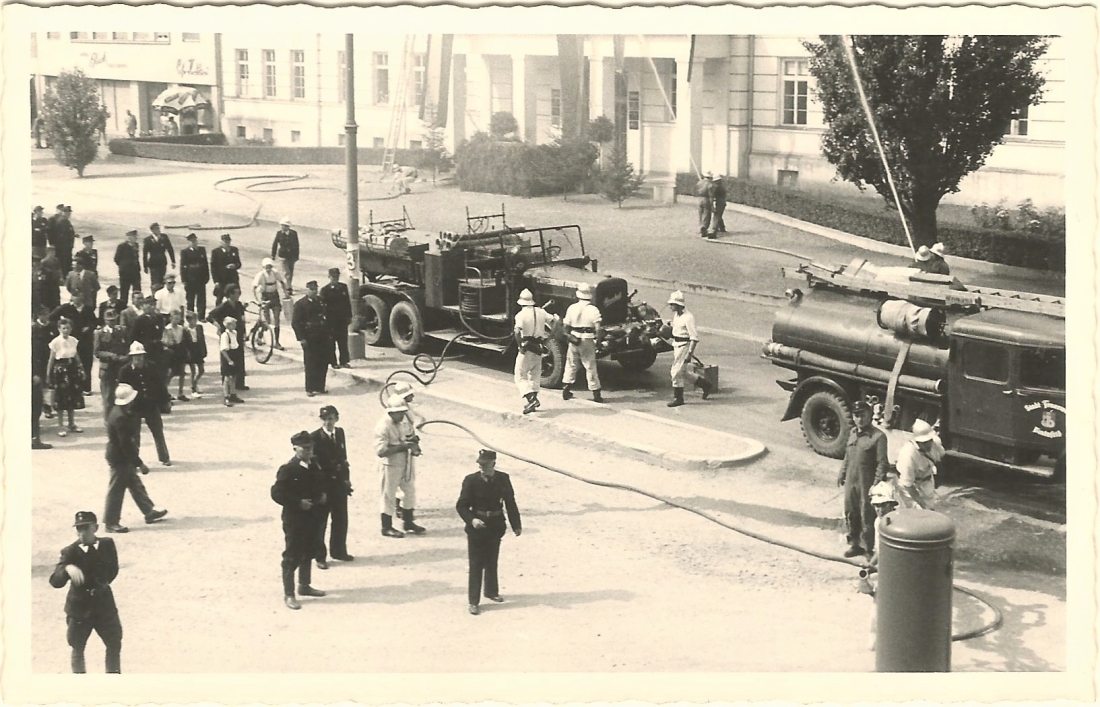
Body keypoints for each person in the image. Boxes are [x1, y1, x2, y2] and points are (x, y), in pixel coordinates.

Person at [49, 511, 123, 672]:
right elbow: (55, 582)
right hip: (80, 610)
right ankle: (80, 685)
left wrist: (100, 586)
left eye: (85, 528)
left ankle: (114, 681)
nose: (81, 533)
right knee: (77, 647)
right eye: (78, 529)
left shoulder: (107, 544)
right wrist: (66, 568)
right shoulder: (70, 552)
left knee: (114, 643)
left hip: (104, 606)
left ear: (95, 528)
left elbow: (113, 570)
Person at [456, 449, 522, 616]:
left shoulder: (503, 479)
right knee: (476, 564)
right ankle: (473, 601)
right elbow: (461, 505)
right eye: (480, 464)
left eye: (485, 464)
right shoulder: (470, 480)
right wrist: (472, 520)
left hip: (495, 525)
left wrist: (516, 525)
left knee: (492, 561)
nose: (482, 467)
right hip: (477, 527)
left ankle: (491, 592)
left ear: (493, 463)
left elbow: (510, 502)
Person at [270, 431, 328, 610]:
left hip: (313, 516)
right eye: (305, 448)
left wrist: (322, 494)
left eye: (310, 447)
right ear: (295, 448)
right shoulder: (288, 468)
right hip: (295, 519)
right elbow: (277, 493)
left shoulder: (314, 464)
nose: (309, 451)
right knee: (293, 554)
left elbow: (319, 482)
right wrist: (298, 502)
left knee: (309, 550)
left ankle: (304, 585)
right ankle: (289, 594)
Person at [102, 384, 169, 533]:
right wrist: (139, 463)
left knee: (134, 483)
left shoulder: (119, 412)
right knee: (116, 489)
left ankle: (149, 511)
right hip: (120, 457)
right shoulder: (120, 418)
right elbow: (126, 445)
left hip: (120, 455)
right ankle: (111, 522)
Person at [837, 399, 889, 558]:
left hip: (866, 483)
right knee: (851, 512)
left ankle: (868, 549)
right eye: (856, 415)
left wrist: (875, 484)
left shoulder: (878, 437)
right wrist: (842, 472)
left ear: (870, 415)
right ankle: (854, 544)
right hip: (851, 481)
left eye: (863, 415)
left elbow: (882, 463)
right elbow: (848, 455)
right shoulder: (853, 432)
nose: (859, 419)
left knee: (867, 514)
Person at [117, 342, 172, 467]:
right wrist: (123, 409)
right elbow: (121, 390)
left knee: (158, 431)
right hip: (134, 407)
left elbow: (160, 385)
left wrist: (165, 400)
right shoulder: (124, 371)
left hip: (150, 405)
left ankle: (164, 457)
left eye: (141, 356)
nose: (139, 359)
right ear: (131, 357)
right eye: (136, 356)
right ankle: (134, 461)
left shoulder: (151, 367)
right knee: (134, 435)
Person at [312, 405, 354, 567]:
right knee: (321, 521)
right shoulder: (315, 437)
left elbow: (343, 458)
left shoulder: (340, 433)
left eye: (331, 418)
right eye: (325, 419)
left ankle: (338, 551)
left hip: (339, 484)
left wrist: (346, 478)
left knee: (341, 519)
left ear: (337, 418)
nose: (328, 422)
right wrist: (319, 489)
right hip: (324, 484)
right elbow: (315, 465)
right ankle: (320, 556)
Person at [374, 395, 421, 538]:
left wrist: (414, 445)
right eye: (399, 412)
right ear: (391, 412)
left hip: (405, 462)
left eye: (403, 412)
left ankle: (408, 521)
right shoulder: (383, 426)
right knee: (388, 495)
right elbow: (381, 451)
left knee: (410, 491)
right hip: (390, 465)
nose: (402, 415)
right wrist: (402, 447)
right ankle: (386, 527)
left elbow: (411, 435)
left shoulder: (403, 422)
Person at [389, 383, 426, 534]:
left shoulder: (404, 409)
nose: (413, 396)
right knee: (398, 484)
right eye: (410, 394)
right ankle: (398, 510)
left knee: (408, 484)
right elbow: (405, 434)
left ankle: (408, 519)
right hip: (397, 454)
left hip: (406, 452)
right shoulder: (398, 414)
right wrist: (413, 443)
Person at [665, 290, 714, 407]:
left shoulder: (688, 317)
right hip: (677, 345)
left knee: (675, 372)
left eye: (672, 304)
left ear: (678, 305)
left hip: (684, 346)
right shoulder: (677, 315)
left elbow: (694, 337)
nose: (670, 306)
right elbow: (677, 332)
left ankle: (679, 398)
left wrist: (689, 353)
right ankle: (705, 385)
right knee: (684, 372)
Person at [561, 283, 604, 403]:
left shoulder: (572, 308)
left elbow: (565, 326)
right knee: (590, 366)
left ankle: (566, 388)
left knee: (571, 364)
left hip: (574, 338)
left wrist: (569, 337)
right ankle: (596, 393)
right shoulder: (593, 309)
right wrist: (598, 342)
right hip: (587, 339)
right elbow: (598, 328)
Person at [513, 288, 551, 414]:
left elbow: (517, 331)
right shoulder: (541, 312)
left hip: (527, 347)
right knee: (534, 375)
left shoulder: (520, 315)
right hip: (538, 347)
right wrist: (549, 338)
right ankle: (533, 402)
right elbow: (555, 321)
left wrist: (520, 346)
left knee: (520, 376)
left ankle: (531, 399)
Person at [47, 318, 86, 437]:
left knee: (72, 397)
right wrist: (48, 375)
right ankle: (60, 425)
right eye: (63, 328)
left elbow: (76, 356)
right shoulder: (55, 342)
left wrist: (82, 369)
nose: (66, 330)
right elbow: (51, 359)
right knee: (61, 398)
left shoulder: (73, 340)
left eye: (68, 328)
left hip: (72, 370)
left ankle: (71, 423)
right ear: (59, 329)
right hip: (60, 372)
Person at [207, 284, 248, 395]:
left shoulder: (238, 305)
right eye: (236, 293)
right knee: (227, 358)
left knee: (239, 357)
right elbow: (209, 316)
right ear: (230, 294)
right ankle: (227, 385)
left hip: (237, 334)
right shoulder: (223, 306)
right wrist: (219, 326)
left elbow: (242, 319)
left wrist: (244, 333)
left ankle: (239, 382)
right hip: (227, 335)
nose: (238, 295)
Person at [292, 280, 331, 396]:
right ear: (307, 290)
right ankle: (310, 388)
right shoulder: (301, 304)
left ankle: (320, 387)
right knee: (310, 363)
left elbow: (326, 317)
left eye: (315, 289)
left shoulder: (320, 301)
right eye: (312, 289)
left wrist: (329, 334)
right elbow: (296, 323)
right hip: (309, 336)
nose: (314, 292)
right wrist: (301, 338)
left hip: (322, 334)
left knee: (323, 362)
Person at [896, 419, 944, 510]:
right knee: (916, 514)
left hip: (927, 481)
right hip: (910, 487)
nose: (928, 445)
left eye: (929, 440)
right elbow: (908, 485)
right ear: (916, 442)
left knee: (931, 511)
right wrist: (922, 504)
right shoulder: (908, 454)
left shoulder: (936, 443)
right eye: (924, 443)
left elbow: (940, 458)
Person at [93, 308, 131, 420]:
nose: (112, 322)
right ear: (105, 320)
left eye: (114, 320)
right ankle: (108, 419)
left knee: (123, 391)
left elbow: (128, 346)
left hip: (121, 366)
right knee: (108, 396)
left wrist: (127, 357)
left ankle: (122, 416)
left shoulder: (123, 330)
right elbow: (97, 351)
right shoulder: (99, 333)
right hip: (107, 367)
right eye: (109, 320)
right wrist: (110, 355)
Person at [32, 307, 56, 450]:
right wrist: (34, 373)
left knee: (36, 406)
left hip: (40, 369)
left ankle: (35, 437)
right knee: (34, 407)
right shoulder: (32, 331)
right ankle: (34, 439)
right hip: (33, 374)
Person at [252, 257, 288, 350]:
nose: (268, 269)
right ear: (263, 267)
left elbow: (282, 282)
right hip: (265, 297)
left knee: (277, 319)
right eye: (266, 267)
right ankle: (259, 335)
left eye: (270, 267)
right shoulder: (260, 275)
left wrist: (286, 293)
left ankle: (277, 342)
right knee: (266, 321)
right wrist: (258, 300)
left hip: (275, 297)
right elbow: (254, 287)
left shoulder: (275, 273)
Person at [321, 268, 351, 369]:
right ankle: (333, 362)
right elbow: (322, 306)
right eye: (333, 277)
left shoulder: (343, 287)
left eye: (337, 276)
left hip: (342, 319)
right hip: (331, 320)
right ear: (329, 277)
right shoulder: (325, 290)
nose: (335, 278)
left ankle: (344, 361)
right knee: (331, 342)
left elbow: (347, 303)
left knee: (343, 341)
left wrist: (349, 316)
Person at [179, 233, 210, 319]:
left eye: (195, 240)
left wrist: (207, 276)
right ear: (189, 242)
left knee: (201, 298)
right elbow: (182, 266)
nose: (194, 242)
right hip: (190, 278)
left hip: (200, 278)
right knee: (190, 299)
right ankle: (190, 316)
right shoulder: (185, 252)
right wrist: (184, 280)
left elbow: (205, 264)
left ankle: (201, 316)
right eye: (192, 241)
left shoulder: (201, 250)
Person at [162, 309, 189, 401]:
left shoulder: (181, 328)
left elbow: (183, 339)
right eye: (174, 318)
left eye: (178, 319)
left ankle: (180, 393)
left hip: (180, 351)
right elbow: (164, 341)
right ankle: (165, 392)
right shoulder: (167, 329)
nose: (176, 321)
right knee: (170, 373)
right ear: (170, 318)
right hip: (171, 351)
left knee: (182, 372)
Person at [271, 218, 301, 296]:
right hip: (283, 256)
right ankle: (288, 288)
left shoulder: (293, 233)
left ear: (287, 226)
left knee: (290, 273)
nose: (282, 227)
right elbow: (275, 244)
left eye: (283, 226)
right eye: (281, 225)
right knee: (287, 273)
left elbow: (297, 245)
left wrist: (297, 256)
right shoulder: (279, 233)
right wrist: (273, 255)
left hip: (292, 256)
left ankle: (288, 286)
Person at [210, 233, 241, 307]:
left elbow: (239, 263)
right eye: (225, 241)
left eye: (228, 241)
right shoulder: (216, 252)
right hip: (222, 279)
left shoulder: (234, 250)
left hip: (232, 278)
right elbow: (213, 267)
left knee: (235, 296)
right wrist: (216, 281)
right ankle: (218, 314)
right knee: (219, 297)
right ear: (221, 242)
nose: (227, 243)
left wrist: (235, 265)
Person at [143, 223, 175, 293]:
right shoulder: (148, 240)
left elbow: (170, 249)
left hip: (162, 262)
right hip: (153, 264)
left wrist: (173, 261)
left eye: (158, 228)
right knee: (155, 282)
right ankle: (155, 297)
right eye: (157, 229)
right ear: (152, 230)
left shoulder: (164, 237)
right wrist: (145, 266)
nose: (158, 230)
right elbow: (145, 254)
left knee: (162, 281)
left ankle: (162, 296)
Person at [183, 310, 207, 398]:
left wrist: (204, 351)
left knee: (201, 370)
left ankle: (195, 383)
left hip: (198, 349)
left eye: (194, 319)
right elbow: (185, 343)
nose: (192, 321)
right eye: (190, 319)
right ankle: (193, 388)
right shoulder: (185, 330)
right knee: (193, 370)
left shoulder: (199, 327)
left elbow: (202, 340)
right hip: (190, 350)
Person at [114, 230, 142, 305]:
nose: (136, 238)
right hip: (125, 273)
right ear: (129, 237)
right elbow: (116, 259)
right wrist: (124, 266)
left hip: (135, 272)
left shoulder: (136, 245)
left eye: (136, 236)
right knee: (124, 293)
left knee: (137, 291)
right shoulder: (122, 246)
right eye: (134, 237)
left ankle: (136, 307)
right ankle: (123, 308)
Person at [48, 204, 76, 276]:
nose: (69, 214)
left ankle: (65, 276)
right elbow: (62, 235)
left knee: (65, 262)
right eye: (67, 212)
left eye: (69, 213)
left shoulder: (65, 221)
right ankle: (64, 277)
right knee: (64, 263)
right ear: (64, 212)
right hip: (63, 247)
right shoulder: (63, 221)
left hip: (66, 247)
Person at [218, 316, 240, 407]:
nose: (235, 326)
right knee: (227, 378)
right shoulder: (225, 335)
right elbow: (223, 350)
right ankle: (226, 396)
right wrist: (229, 360)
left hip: (234, 354)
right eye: (233, 324)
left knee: (234, 376)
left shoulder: (234, 333)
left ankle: (233, 394)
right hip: (228, 356)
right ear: (228, 325)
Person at [35, 247, 63, 312]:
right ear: (48, 253)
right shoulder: (44, 262)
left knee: (56, 298)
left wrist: (61, 277)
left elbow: (59, 270)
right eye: (51, 252)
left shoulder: (56, 260)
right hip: (47, 284)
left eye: (54, 252)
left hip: (55, 282)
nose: (53, 254)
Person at [694, 173, 713, 238]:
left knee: (700, 214)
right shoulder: (710, 184)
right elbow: (711, 195)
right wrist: (712, 204)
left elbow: (696, 190)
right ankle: (704, 228)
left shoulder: (699, 182)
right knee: (707, 214)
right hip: (706, 199)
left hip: (699, 199)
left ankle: (700, 226)